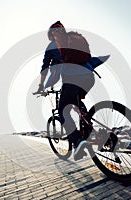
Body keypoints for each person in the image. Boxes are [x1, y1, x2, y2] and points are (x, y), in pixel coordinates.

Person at [35, 21, 95, 160]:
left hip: (73, 78)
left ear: (52, 34)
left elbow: (45, 68)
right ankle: (89, 128)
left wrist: (41, 86)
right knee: (76, 101)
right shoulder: (72, 40)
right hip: (89, 76)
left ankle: (78, 141)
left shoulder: (52, 45)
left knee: (63, 110)